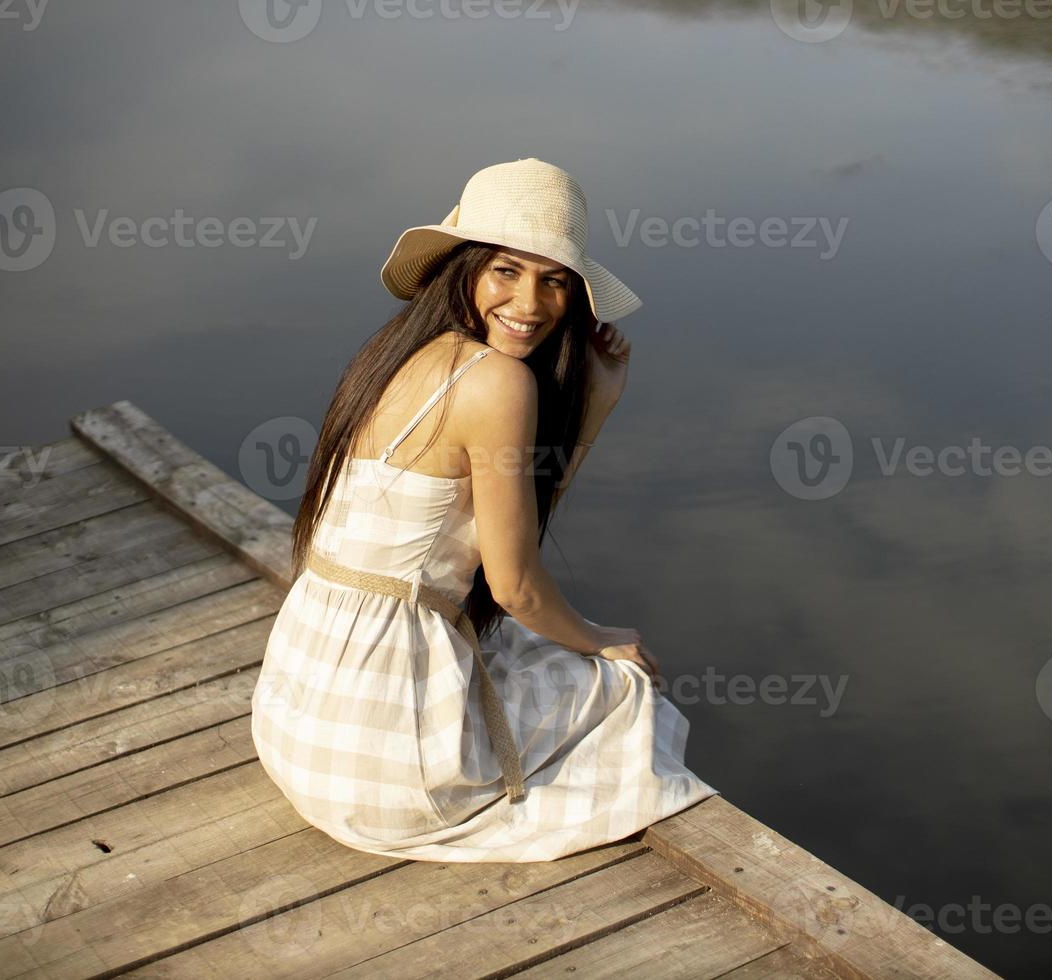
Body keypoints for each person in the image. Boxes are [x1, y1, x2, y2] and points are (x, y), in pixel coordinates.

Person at [250, 158, 718, 863]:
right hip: (382, 776)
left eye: (554, 280)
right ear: (462, 268)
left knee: (525, 648)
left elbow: (511, 527)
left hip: (297, 727)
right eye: (506, 270)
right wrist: (603, 640)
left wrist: (593, 404)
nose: (531, 304)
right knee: (624, 690)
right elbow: (516, 586)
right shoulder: (498, 382)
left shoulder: (395, 354)